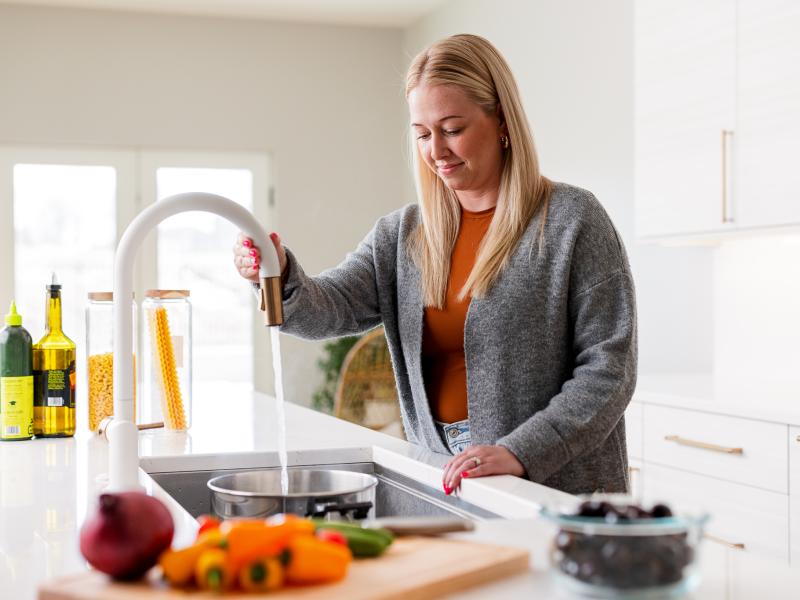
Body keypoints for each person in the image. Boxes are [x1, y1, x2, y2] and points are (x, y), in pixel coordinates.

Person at [233, 34, 637, 496]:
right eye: (422, 134)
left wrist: (524, 451)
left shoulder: (572, 221)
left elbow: (609, 370)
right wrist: (279, 271)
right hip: (439, 472)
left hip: (553, 481)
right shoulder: (402, 234)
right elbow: (329, 308)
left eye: (452, 129)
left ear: (502, 121)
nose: (436, 151)